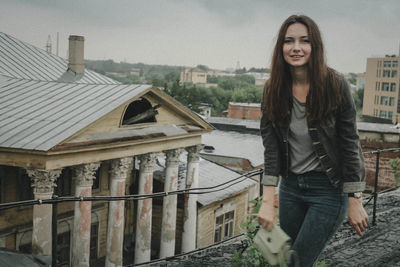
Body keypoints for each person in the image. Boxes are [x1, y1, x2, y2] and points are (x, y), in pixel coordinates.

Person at [257, 15, 369, 267]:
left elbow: (350, 143)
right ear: (281, 48)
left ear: (314, 46)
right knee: (283, 260)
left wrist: (355, 199)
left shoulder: (335, 85)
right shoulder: (272, 89)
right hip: (291, 189)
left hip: (328, 191)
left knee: (297, 262)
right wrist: (267, 201)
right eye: (289, 41)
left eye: (304, 41)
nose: (296, 47)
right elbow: (271, 147)